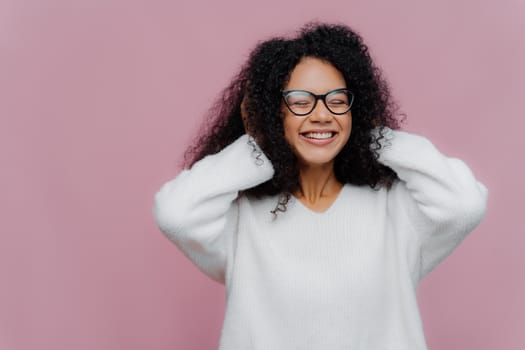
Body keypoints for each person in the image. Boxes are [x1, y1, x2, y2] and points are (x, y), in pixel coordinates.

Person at [153, 22, 488, 349]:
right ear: (273, 111)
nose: (321, 115)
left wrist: (375, 137)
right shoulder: (241, 219)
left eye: (338, 100)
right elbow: (176, 214)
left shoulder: (394, 208)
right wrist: (256, 145)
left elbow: (464, 204)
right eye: (300, 101)